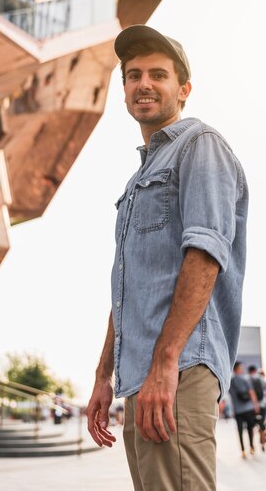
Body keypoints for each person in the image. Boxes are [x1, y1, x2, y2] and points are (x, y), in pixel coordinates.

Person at [86, 25, 249, 491]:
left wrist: (166, 362)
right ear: (124, 91)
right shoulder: (136, 181)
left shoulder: (199, 145)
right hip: (143, 373)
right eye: (133, 75)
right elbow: (128, 287)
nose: (144, 84)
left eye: (158, 74)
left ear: (183, 89)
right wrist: (103, 374)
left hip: (177, 367)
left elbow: (205, 253)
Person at [230, 362, 260, 458]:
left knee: (240, 431)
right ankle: (251, 446)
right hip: (248, 408)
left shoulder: (231, 381)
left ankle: (242, 450)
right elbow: (251, 393)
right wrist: (256, 405)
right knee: (250, 428)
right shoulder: (245, 379)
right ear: (238, 368)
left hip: (237, 410)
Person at [248, 365, 266, 451]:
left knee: (251, 426)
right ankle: (263, 444)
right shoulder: (261, 379)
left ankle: (252, 446)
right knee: (262, 426)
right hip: (262, 406)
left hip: (251, 407)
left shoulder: (248, 379)